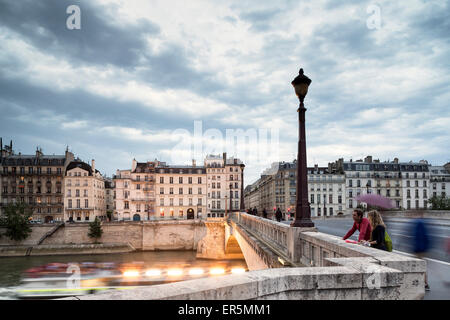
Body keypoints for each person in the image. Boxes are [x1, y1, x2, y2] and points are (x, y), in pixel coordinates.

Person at [411, 213, 431, 291]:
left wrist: (417, 249)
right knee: (421, 266)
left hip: (419, 249)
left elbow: (418, 237)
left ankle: (425, 283)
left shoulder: (418, 223)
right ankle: (424, 283)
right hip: (422, 248)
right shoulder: (421, 222)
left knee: (419, 266)